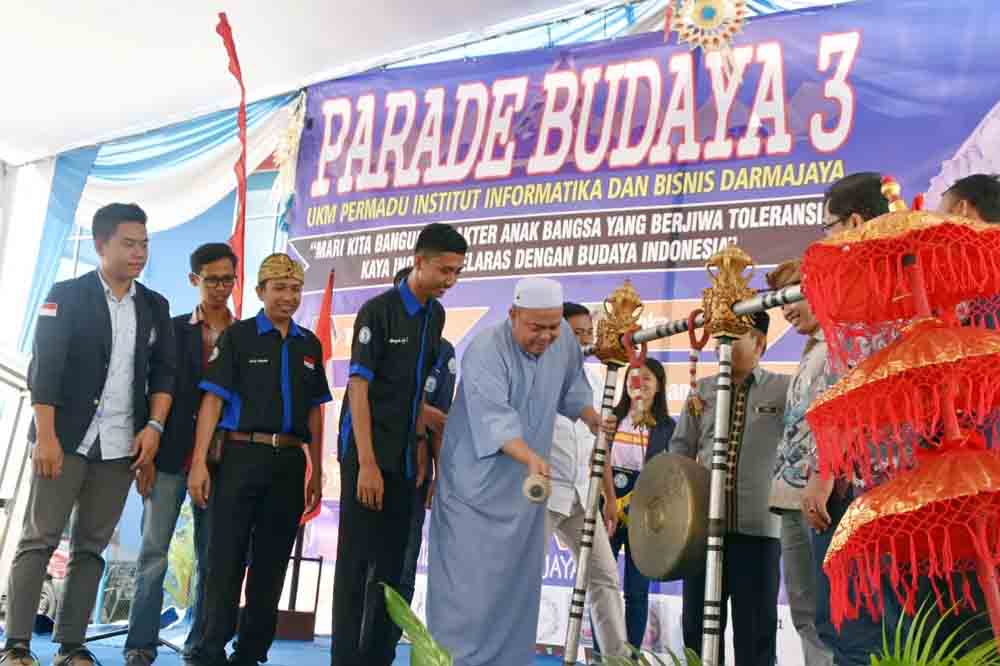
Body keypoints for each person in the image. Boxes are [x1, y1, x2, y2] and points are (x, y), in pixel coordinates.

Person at [1, 203, 176, 666]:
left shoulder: (155, 306)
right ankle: (16, 644)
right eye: (129, 243)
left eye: (144, 244)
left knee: (91, 548)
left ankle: (70, 646)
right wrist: (47, 436)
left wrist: (154, 428)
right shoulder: (67, 294)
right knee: (39, 539)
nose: (139, 252)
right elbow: (46, 369)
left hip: (120, 447)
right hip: (64, 439)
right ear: (102, 245)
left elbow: (164, 374)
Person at [427, 277, 605, 666]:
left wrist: (591, 416)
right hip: (473, 492)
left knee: (515, 590)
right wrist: (529, 456)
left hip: (522, 494)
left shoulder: (563, 343)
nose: (546, 336)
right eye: (536, 327)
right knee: (468, 593)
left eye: (553, 326)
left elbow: (572, 386)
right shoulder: (486, 349)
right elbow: (493, 417)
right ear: (513, 315)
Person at [185, 253, 331, 666]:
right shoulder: (240, 336)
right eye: (280, 288)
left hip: (288, 463)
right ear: (260, 292)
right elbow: (212, 401)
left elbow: (314, 413)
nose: (289, 296)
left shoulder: (309, 345)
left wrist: (315, 469)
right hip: (239, 456)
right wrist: (199, 463)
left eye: (296, 289)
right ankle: (210, 650)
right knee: (224, 559)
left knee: (272, 563)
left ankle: (250, 653)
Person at [333, 224, 468, 666]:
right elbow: (359, 392)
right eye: (444, 270)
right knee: (355, 568)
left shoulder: (436, 317)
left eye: (457, 272)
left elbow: (419, 397)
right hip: (369, 457)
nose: (450, 280)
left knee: (392, 574)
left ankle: (376, 659)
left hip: (409, 462)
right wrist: (367, 464)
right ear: (420, 260)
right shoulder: (378, 312)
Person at [123, 243, 238, 666]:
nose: (221, 287)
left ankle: (201, 645)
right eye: (212, 280)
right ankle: (140, 644)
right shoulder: (172, 329)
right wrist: (146, 455)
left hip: (222, 463)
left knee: (213, 558)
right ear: (194, 280)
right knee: (154, 552)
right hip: (168, 457)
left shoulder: (243, 335)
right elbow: (151, 392)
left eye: (228, 279)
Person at [801, 172, 894, 666]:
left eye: (829, 227)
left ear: (855, 221)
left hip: (864, 489)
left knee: (853, 630)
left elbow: (857, 395)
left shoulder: (862, 295)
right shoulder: (913, 279)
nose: (827, 238)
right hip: (913, 491)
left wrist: (824, 473)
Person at [669, 312, 788, 666]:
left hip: (759, 532)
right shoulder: (700, 393)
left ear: (760, 344)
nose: (725, 344)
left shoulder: (784, 390)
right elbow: (679, 454)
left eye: (736, 335)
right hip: (702, 534)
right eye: (722, 336)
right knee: (697, 630)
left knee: (756, 634)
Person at [546, 303, 628, 661]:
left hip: (583, 495)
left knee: (605, 576)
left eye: (587, 334)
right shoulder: (538, 374)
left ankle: (616, 658)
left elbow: (600, 444)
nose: (583, 341)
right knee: (518, 578)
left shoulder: (597, 381)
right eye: (575, 333)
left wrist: (609, 498)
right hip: (542, 496)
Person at [765, 259, 835, 666]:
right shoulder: (812, 350)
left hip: (818, 497)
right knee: (806, 612)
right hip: (791, 499)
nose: (787, 308)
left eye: (794, 295)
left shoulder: (839, 346)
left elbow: (838, 422)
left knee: (825, 615)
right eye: (782, 301)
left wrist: (819, 480)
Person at [393, 255, 459, 612]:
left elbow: (443, 420)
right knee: (372, 555)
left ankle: (392, 631)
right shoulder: (382, 334)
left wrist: (438, 474)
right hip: (379, 461)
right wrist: (422, 414)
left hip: (418, 469)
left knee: (406, 556)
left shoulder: (443, 351)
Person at [599, 357, 676, 656]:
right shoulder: (609, 419)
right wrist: (608, 499)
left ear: (658, 387)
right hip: (607, 503)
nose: (639, 384)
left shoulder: (668, 427)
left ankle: (630, 656)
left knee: (636, 590)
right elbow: (598, 459)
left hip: (646, 509)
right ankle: (605, 654)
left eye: (647, 379)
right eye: (634, 377)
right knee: (601, 584)